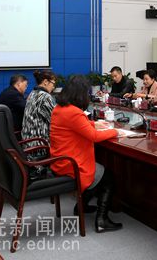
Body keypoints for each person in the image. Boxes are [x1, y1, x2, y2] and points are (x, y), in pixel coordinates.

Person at [50, 75, 122, 233]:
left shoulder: (59, 108)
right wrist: (115, 131)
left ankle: (80, 207)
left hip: (59, 161)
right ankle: (102, 220)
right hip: (71, 165)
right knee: (107, 177)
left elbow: (74, 125)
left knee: (99, 173)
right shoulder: (74, 112)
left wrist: (94, 123)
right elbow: (94, 137)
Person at [21, 70, 57, 155]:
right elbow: (56, 120)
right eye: (53, 84)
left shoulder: (32, 93)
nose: (53, 87)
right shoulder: (45, 97)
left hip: (28, 143)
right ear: (45, 82)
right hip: (40, 146)